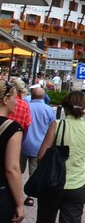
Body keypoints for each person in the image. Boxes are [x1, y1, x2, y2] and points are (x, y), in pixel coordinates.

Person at [36, 90, 85, 223]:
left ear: (65, 107)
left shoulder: (56, 125)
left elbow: (41, 156)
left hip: (52, 183)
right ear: (84, 107)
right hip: (77, 185)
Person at [21, 85, 55, 207]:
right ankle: (30, 197)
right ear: (44, 96)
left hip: (22, 144)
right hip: (40, 146)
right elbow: (52, 129)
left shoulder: (26, 107)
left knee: (17, 169)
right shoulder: (49, 110)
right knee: (34, 172)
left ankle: (13, 193)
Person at [0, 80, 26, 223]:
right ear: (5, 100)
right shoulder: (12, 128)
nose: (16, 102)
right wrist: (20, 204)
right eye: (14, 98)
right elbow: (12, 169)